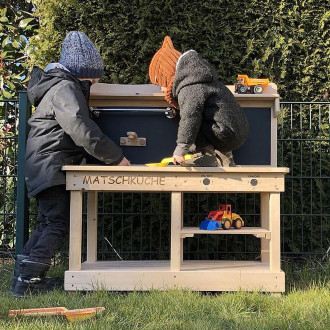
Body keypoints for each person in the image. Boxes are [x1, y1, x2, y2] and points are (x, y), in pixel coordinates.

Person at [12, 31, 130, 298]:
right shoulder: (66, 88)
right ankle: (29, 280)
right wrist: (116, 158)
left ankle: (22, 279)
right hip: (52, 164)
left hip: (44, 163)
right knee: (56, 223)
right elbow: (81, 128)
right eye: (93, 76)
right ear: (81, 70)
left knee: (47, 222)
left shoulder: (57, 85)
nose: (96, 81)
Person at [149, 36, 249, 167]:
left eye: (161, 83)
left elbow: (190, 117)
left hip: (226, 133)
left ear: (168, 75)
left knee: (193, 116)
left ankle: (206, 156)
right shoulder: (199, 77)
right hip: (234, 130)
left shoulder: (189, 87)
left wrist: (181, 149)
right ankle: (226, 159)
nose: (162, 89)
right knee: (208, 113)